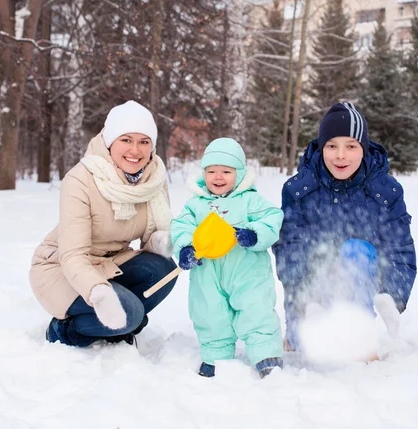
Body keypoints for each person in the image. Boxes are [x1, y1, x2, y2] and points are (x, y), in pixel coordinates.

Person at [30, 100, 178, 347]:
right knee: (131, 315)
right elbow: (73, 255)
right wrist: (98, 291)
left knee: (166, 269)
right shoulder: (81, 179)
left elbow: (151, 240)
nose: (135, 150)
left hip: (111, 263)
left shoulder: (153, 179)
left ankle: (116, 324)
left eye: (144, 142)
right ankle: (64, 330)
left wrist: (175, 243)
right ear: (110, 142)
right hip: (61, 266)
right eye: (126, 140)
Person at [273, 102, 417, 351]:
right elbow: (289, 248)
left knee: (357, 250)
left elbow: (399, 248)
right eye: (332, 146)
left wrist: (393, 296)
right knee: (304, 345)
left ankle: (358, 340)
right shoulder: (299, 189)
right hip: (309, 291)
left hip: (358, 283)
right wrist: (307, 297)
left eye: (351, 146)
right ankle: (307, 329)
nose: (341, 155)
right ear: (321, 147)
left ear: (364, 149)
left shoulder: (385, 192)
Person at [171, 138, 284, 378]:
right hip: (207, 272)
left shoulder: (249, 200)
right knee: (210, 311)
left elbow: (272, 218)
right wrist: (185, 248)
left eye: (226, 171)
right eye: (212, 171)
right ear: (204, 173)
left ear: (240, 174)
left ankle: (265, 353)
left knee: (256, 308)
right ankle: (215, 355)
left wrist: (254, 235)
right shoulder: (196, 204)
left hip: (247, 269)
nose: (218, 177)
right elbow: (181, 227)